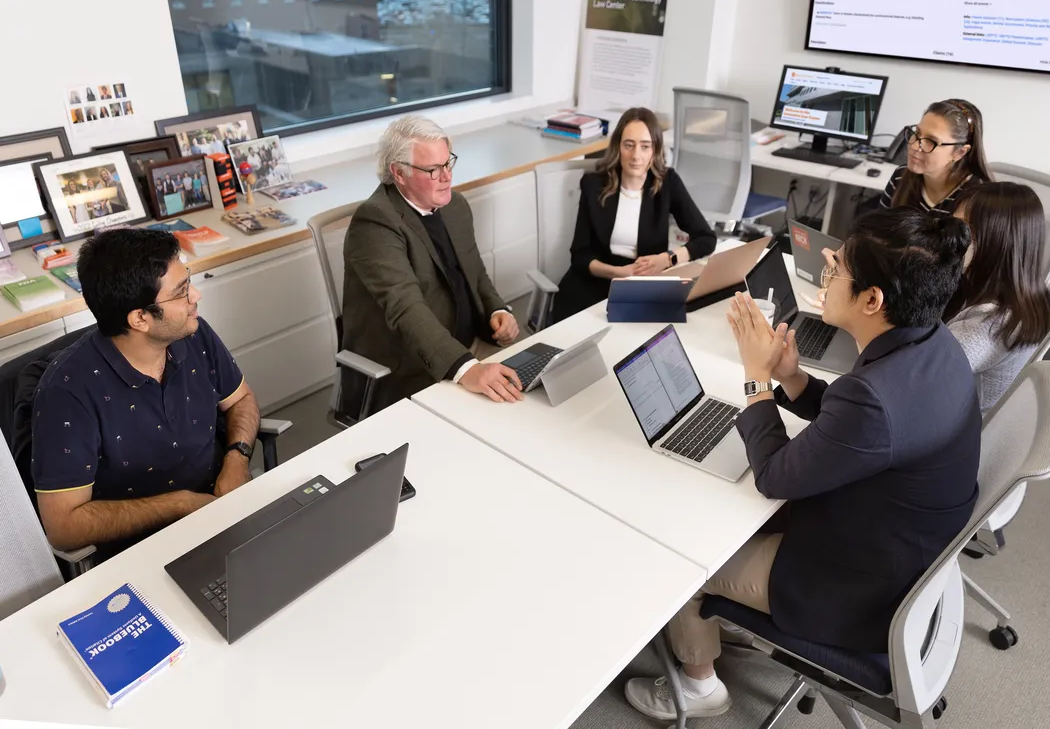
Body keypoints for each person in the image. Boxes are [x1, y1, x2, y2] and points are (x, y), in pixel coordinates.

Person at [625, 208, 980, 721]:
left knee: (684, 557)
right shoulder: (933, 342)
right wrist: (791, 378)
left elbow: (773, 476)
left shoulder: (875, 398)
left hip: (853, 590)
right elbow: (862, 428)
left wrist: (755, 378)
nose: (827, 273)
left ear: (873, 300)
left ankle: (699, 685)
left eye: (836, 268)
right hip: (900, 553)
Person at [31, 229, 260, 559]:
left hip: (222, 514)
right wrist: (180, 504)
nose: (196, 296)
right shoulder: (65, 394)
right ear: (140, 318)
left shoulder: (193, 334)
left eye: (189, 282)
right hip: (141, 553)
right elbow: (63, 527)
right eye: (181, 292)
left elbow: (241, 399)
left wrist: (237, 457)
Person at [342, 115, 522, 415]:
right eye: (433, 169)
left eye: (448, 163)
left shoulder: (455, 205)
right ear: (399, 173)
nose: (447, 176)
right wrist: (467, 369)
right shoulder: (375, 223)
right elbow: (406, 310)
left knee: (542, 392)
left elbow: (475, 273)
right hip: (418, 363)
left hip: (469, 344)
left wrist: (497, 309)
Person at [551, 107, 717, 322]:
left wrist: (668, 259)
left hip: (644, 281)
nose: (636, 155)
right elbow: (580, 255)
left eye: (645, 146)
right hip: (596, 280)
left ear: (654, 150)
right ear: (618, 147)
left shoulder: (668, 183)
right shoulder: (593, 185)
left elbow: (706, 238)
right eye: (629, 145)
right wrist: (617, 273)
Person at [944, 182, 1050, 415]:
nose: (951, 239)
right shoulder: (1027, 290)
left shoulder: (985, 327)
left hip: (951, 423)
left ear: (1000, 241)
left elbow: (914, 384)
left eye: (965, 231)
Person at [879, 99, 991, 215]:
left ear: (959, 152)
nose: (914, 145)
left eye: (931, 141)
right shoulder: (900, 176)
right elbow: (877, 229)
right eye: (917, 133)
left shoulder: (978, 202)